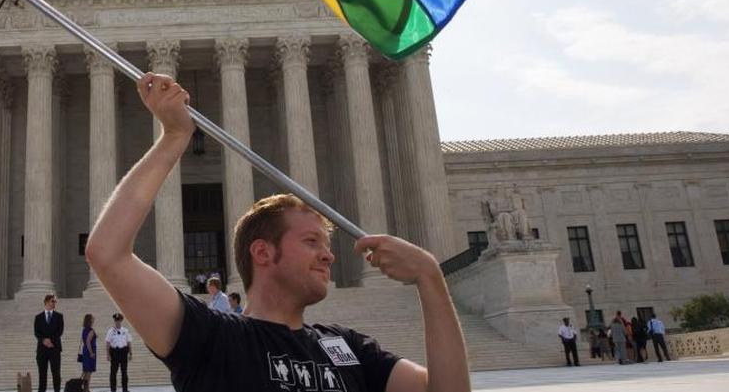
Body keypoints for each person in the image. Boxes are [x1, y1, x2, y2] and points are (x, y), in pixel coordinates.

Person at [85, 73, 471, 392]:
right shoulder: (212, 340)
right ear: (263, 253)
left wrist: (429, 278)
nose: (329, 255)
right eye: (310, 241)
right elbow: (107, 252)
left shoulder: (348, 348)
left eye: (326, 243)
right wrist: (173, 138)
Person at [34, 293, 64, 392]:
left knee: (56, 373)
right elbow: (36, 332)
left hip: (54, 348)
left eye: (55, 301)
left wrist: (50, 340)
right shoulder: (38, 317)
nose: (54, 303)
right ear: (46, 302)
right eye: (52, 301)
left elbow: (60, 331)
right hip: (42, 350)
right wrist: (44, 340)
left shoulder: (59, 316)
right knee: (42, 374)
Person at [105, 313, 132, 392]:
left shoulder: (125, 330)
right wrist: (108, 354)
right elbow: (107, 343)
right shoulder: (111, 331)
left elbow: (129, 342)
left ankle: (125, 389)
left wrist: (130, 353)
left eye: (119, 320)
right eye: (116, 320)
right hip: (114, 352)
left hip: (123, 352)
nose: (117, 322)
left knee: (124, 372)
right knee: (113, 372)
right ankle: (113, 390)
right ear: (114, 321)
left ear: (121, 320)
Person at [79, 314, 98, 389]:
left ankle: (85, 388)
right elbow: (88, 342)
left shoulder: (84, 329)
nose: (94, 319)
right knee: (88, 372)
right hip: (89, 352)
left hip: (85, 351)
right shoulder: (91, 330)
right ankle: (86, 389)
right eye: (92, 318)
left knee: (86, 371)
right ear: (90, 320)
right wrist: (91, 353)